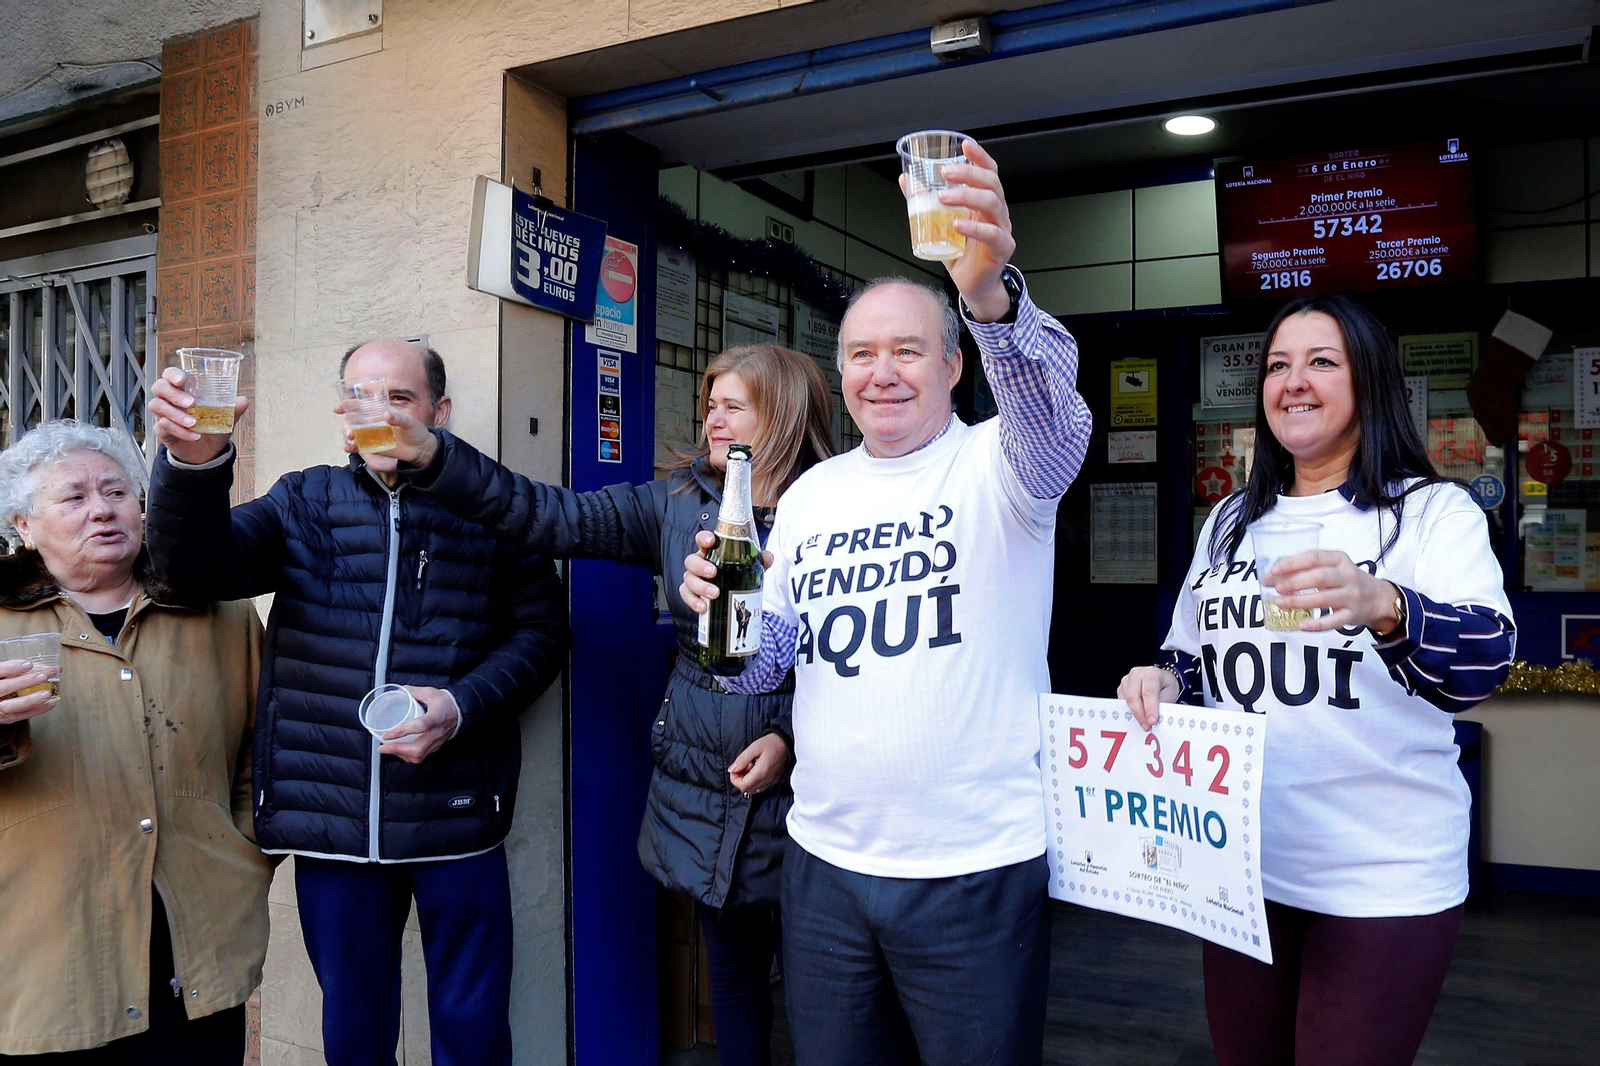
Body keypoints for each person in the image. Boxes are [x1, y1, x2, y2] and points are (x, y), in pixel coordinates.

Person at [679, 139, 1094, 1065]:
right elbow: (766, 658)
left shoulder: (1003, 464)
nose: (882, 372)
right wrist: (718, 611)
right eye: (862, 354)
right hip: (824, 866)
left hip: (974, 869)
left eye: (908, 349)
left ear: (955, 366)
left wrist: (989, 294)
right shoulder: (816, 493)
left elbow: (1056, 411)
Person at [359, 342, 834, 1066]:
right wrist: (437, 457)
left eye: (733, 405)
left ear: (784, 412)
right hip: (708, 787)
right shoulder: (674, 503)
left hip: (817, 793)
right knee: (734, 976)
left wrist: (794, 743)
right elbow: (550, 516)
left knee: (826, 986)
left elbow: (863, 663)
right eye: (709, 402)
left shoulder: (840, 507)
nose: (713, 417)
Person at [143, 339, 567, 1066]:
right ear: (342, 412)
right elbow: (191, 569)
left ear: (440, 410)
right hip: (332, 822)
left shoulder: (493, 506)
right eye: (361, 397)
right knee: (354, 1032)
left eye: (399, 398)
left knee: (472, 1029)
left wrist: (461, 707)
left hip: (457, 813)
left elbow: (543, 635)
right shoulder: (303, 499)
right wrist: (195, 464)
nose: (379, 413)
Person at [1117, 294, 1515, 1066]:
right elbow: (1193, 657)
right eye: (1277, 366)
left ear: (1368, 381)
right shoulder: (1231, 520)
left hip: (1380, 876)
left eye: (1322, 362)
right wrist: (1162, 682)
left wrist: (1384, 604)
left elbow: (1484, 665)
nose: (1293, 382)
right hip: (1239, 868)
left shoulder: (1433, 513)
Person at [0, 420, 270, 1063]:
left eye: (117, 491)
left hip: (196, 945)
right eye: (73, 497)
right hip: (42, 956)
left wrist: (243, 851)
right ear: (25, 526)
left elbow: (266, 754)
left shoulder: (220, 612)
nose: (102, 509)